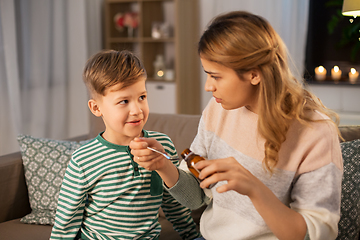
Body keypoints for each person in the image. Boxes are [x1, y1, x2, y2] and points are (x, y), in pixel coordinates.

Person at [130, 11, 343, 240]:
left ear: (254, 74)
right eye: (207, 75)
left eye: (216, 76)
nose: (208, 87)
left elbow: (317, 235)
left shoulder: (315, 133)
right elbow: (196, 199)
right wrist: (163, 165)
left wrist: (254, 188)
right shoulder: (217, 109)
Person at [50, 50, 201, 240]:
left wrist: (192, 236)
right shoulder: (83, 160)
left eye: (142, 97)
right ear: (96, 108)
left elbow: (174, 203)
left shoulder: (162, 145)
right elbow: (66, 220)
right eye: (124, 101)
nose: (137, 110)